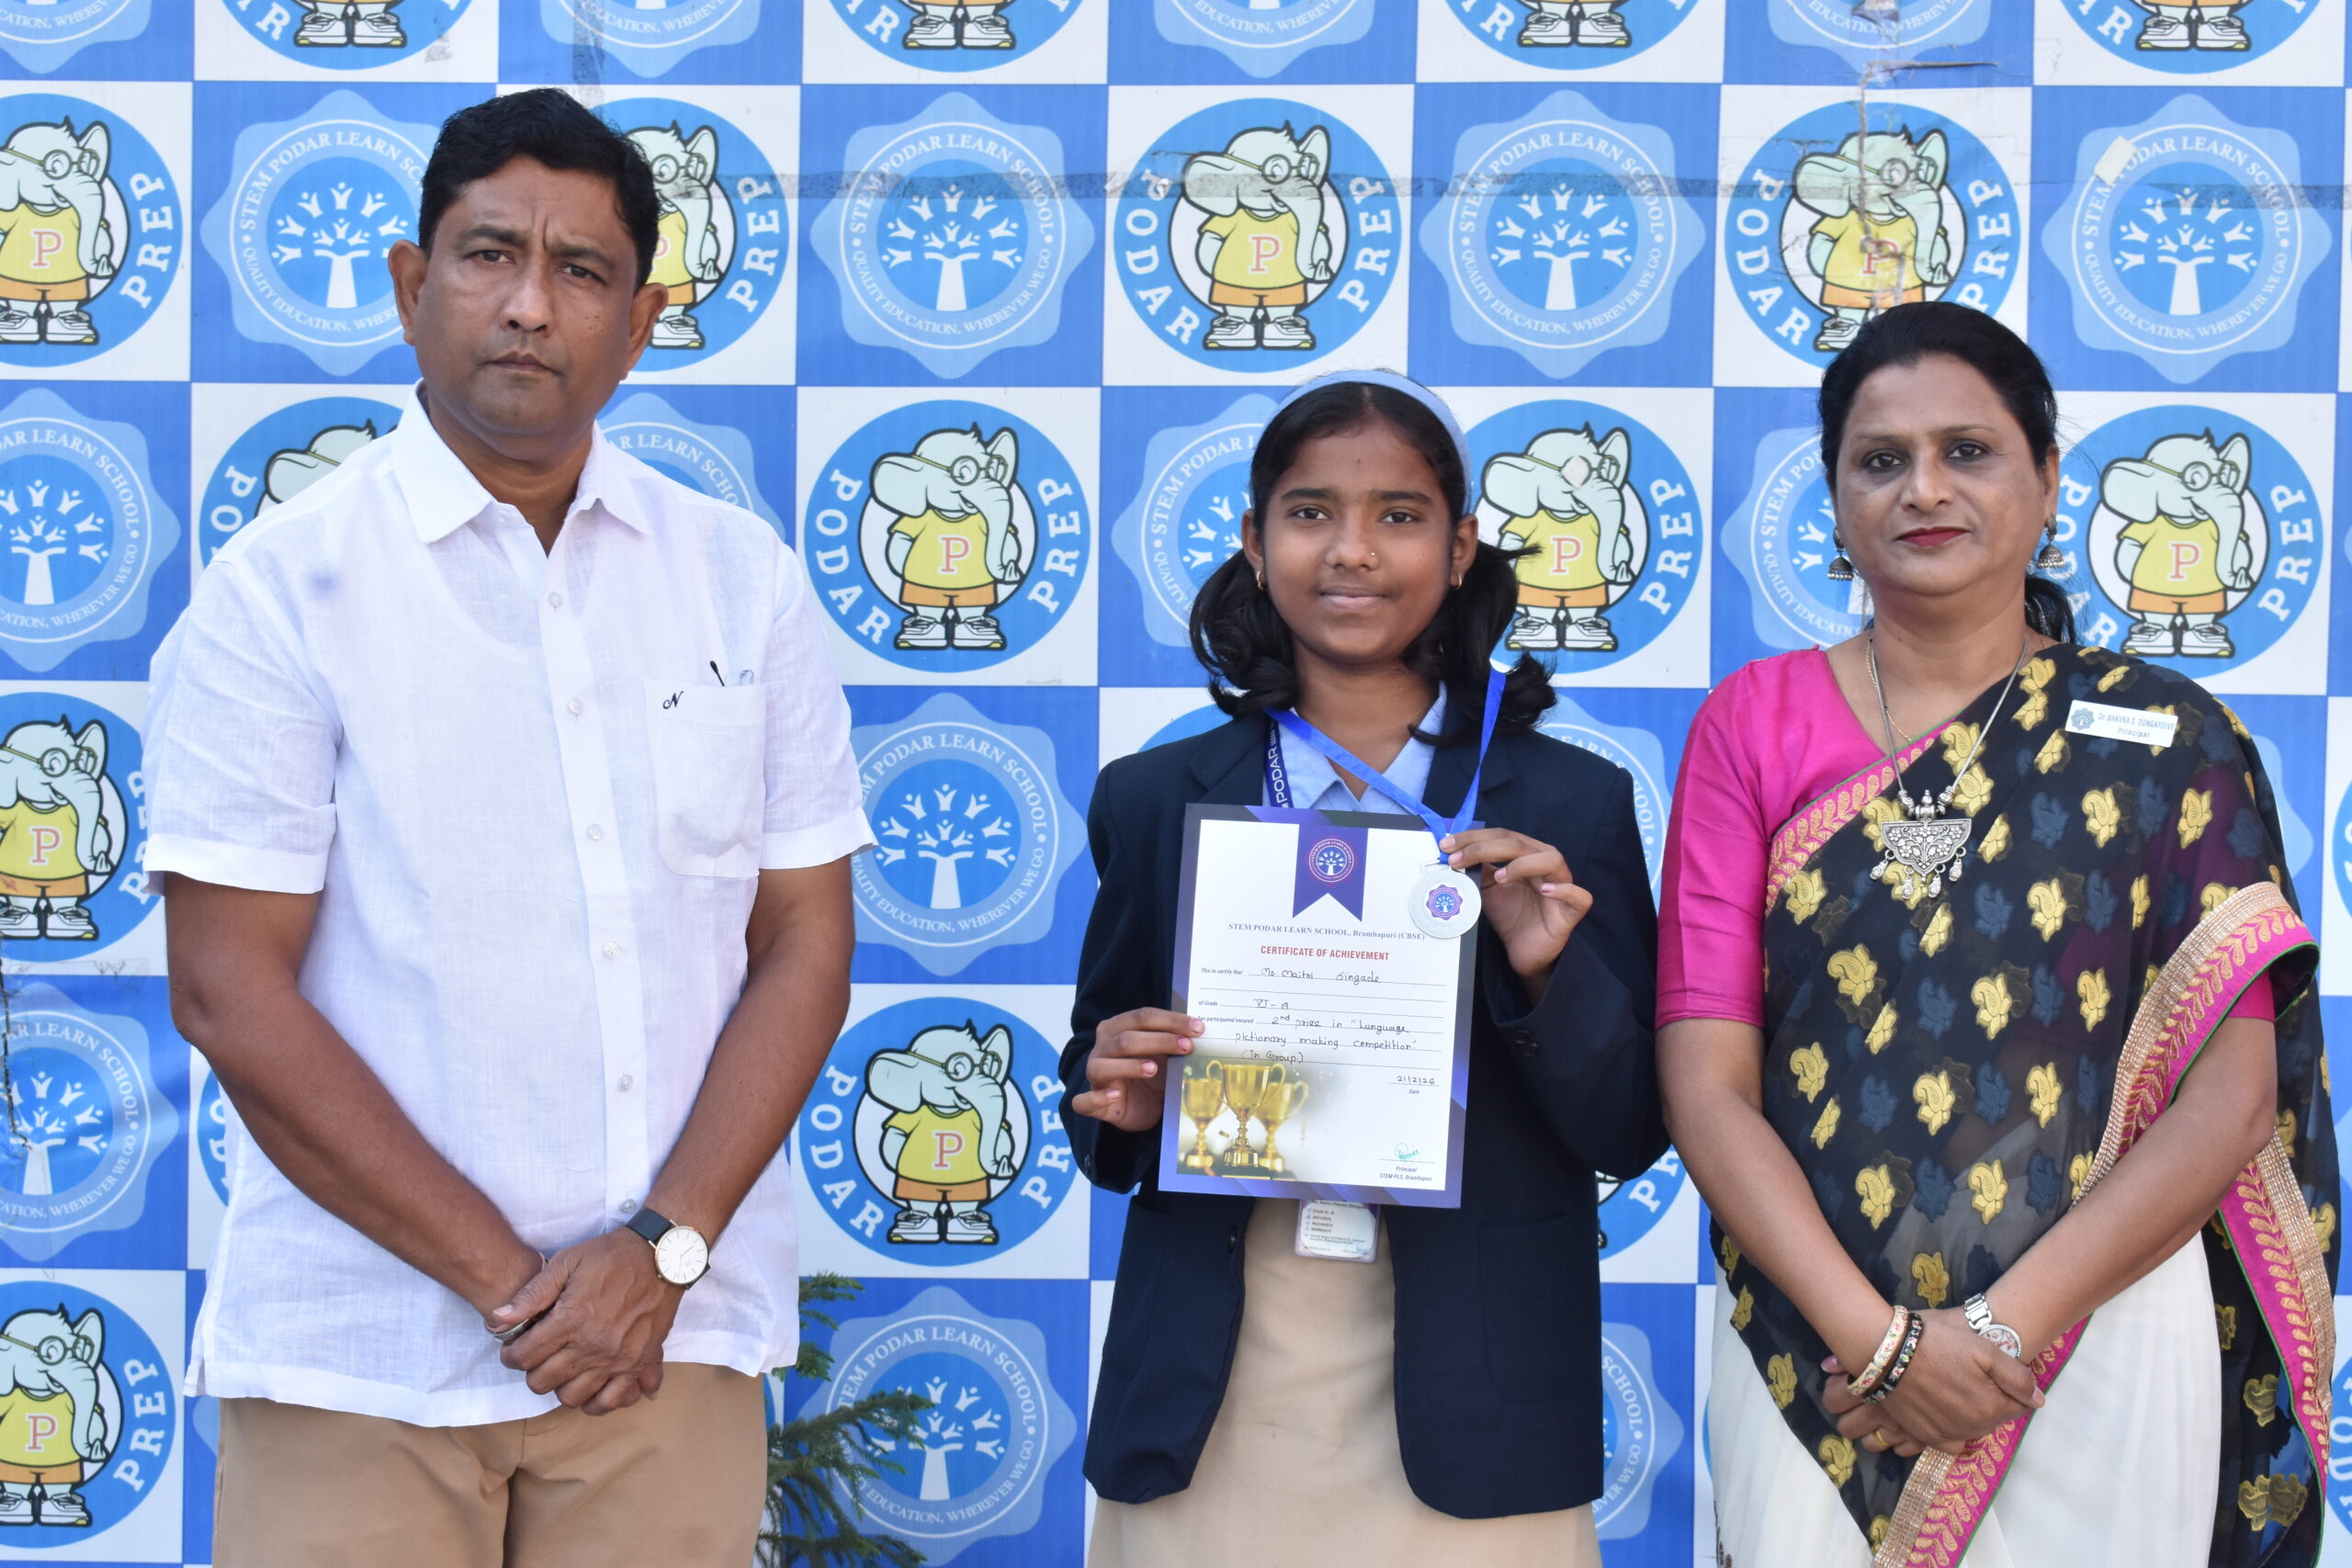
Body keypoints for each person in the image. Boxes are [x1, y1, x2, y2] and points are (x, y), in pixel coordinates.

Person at [144, 89, 869, 1567]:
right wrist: (528, 1294)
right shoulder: (280, 591)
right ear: (412, 286)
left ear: (642, 321)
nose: (530, 304)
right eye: (488, 256)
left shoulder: (741, 581)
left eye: (581, 270)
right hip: (365, 1357)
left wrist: (659, 1255)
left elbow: (803, 939)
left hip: (668, 1346)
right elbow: (229, 991)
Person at [1657, 302, 2335, 1566]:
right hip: (1821, 1346)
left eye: (1967, 451)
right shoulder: (1753, 724)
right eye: (1881, 460)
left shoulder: (2167, 737)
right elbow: (1707, 1086)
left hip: (2104, 1327)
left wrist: (2002, 1330)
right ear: (1836, 499)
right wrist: (1881, 1345)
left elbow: (2232, 1100)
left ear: (2049, 481)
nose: (1924, 488)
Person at [1066, 373, 1664, 1566]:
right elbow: (1100, 1083)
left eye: (1399, 515)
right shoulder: (1155, 798)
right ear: (1254, 541)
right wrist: (1116, 1091)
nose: (1352, 550)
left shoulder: (1569, 804)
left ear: (1460, 548)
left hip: (1480, 1395)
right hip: (1217, 1391)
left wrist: (1546, 977)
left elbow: (1632, 1126)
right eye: (1310, 513)